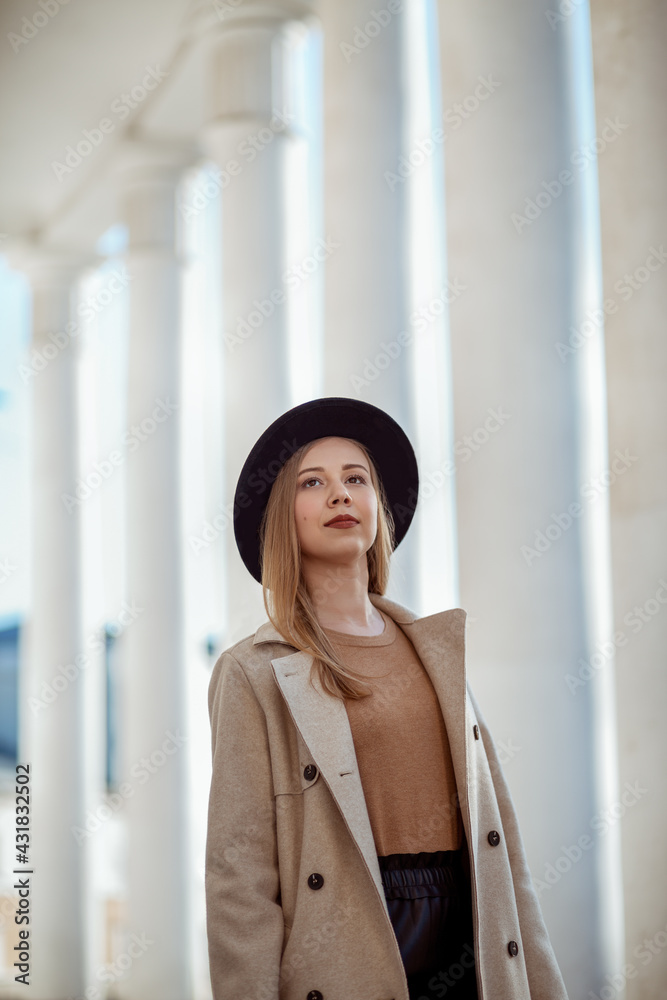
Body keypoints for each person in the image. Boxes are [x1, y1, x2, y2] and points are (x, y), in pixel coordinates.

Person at [204, 396, 569, 1000]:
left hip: (469, 933)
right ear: (281, 517)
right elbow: (237, 877)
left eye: (356, 479)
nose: (340, 494)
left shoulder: (437, 652)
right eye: (313, 483)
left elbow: (502, 845)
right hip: (350, 940)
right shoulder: (254, 672)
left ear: (378, 508)